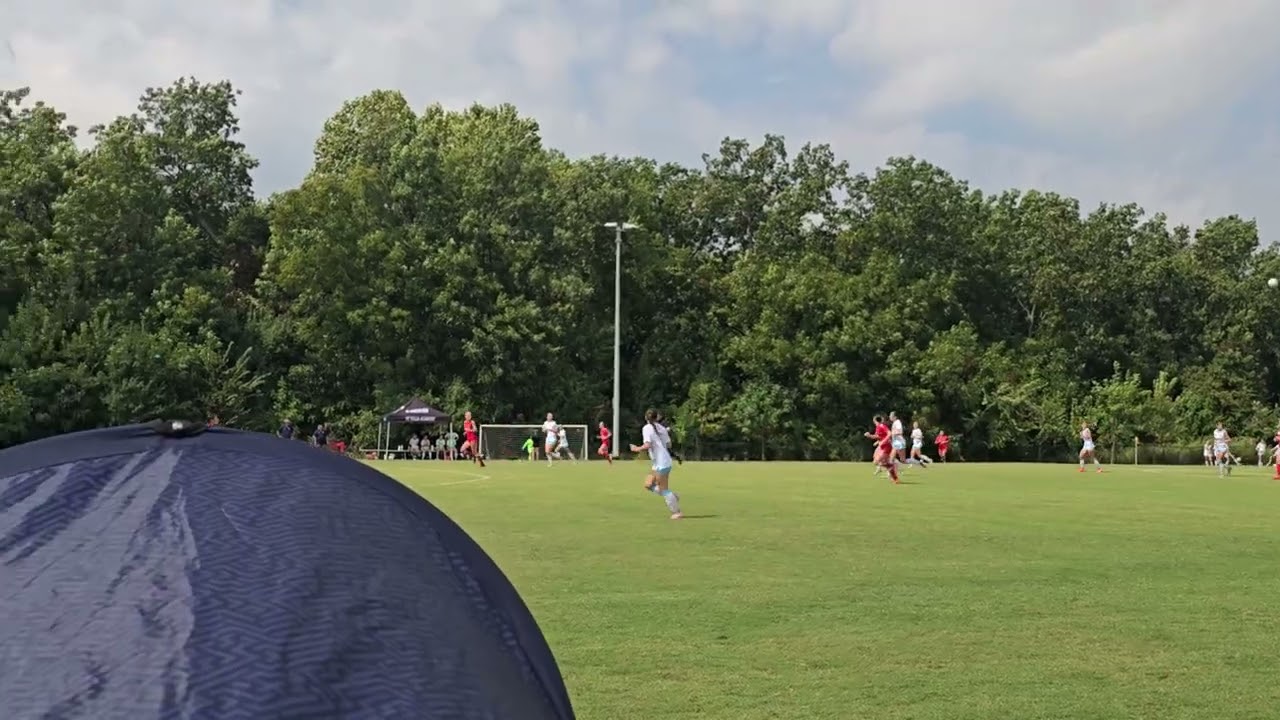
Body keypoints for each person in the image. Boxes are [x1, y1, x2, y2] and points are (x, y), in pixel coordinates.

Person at [630, 409, 683, 519]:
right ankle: (672, 496)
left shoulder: (647, 428)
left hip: (662, 462)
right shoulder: (661, 428)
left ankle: (676, 512)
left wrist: (636, 448)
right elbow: (669, 445)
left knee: (663, 489)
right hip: (658, 462)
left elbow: (647, 444)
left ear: (646, 417)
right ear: (656, 417)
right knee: (648, 484)